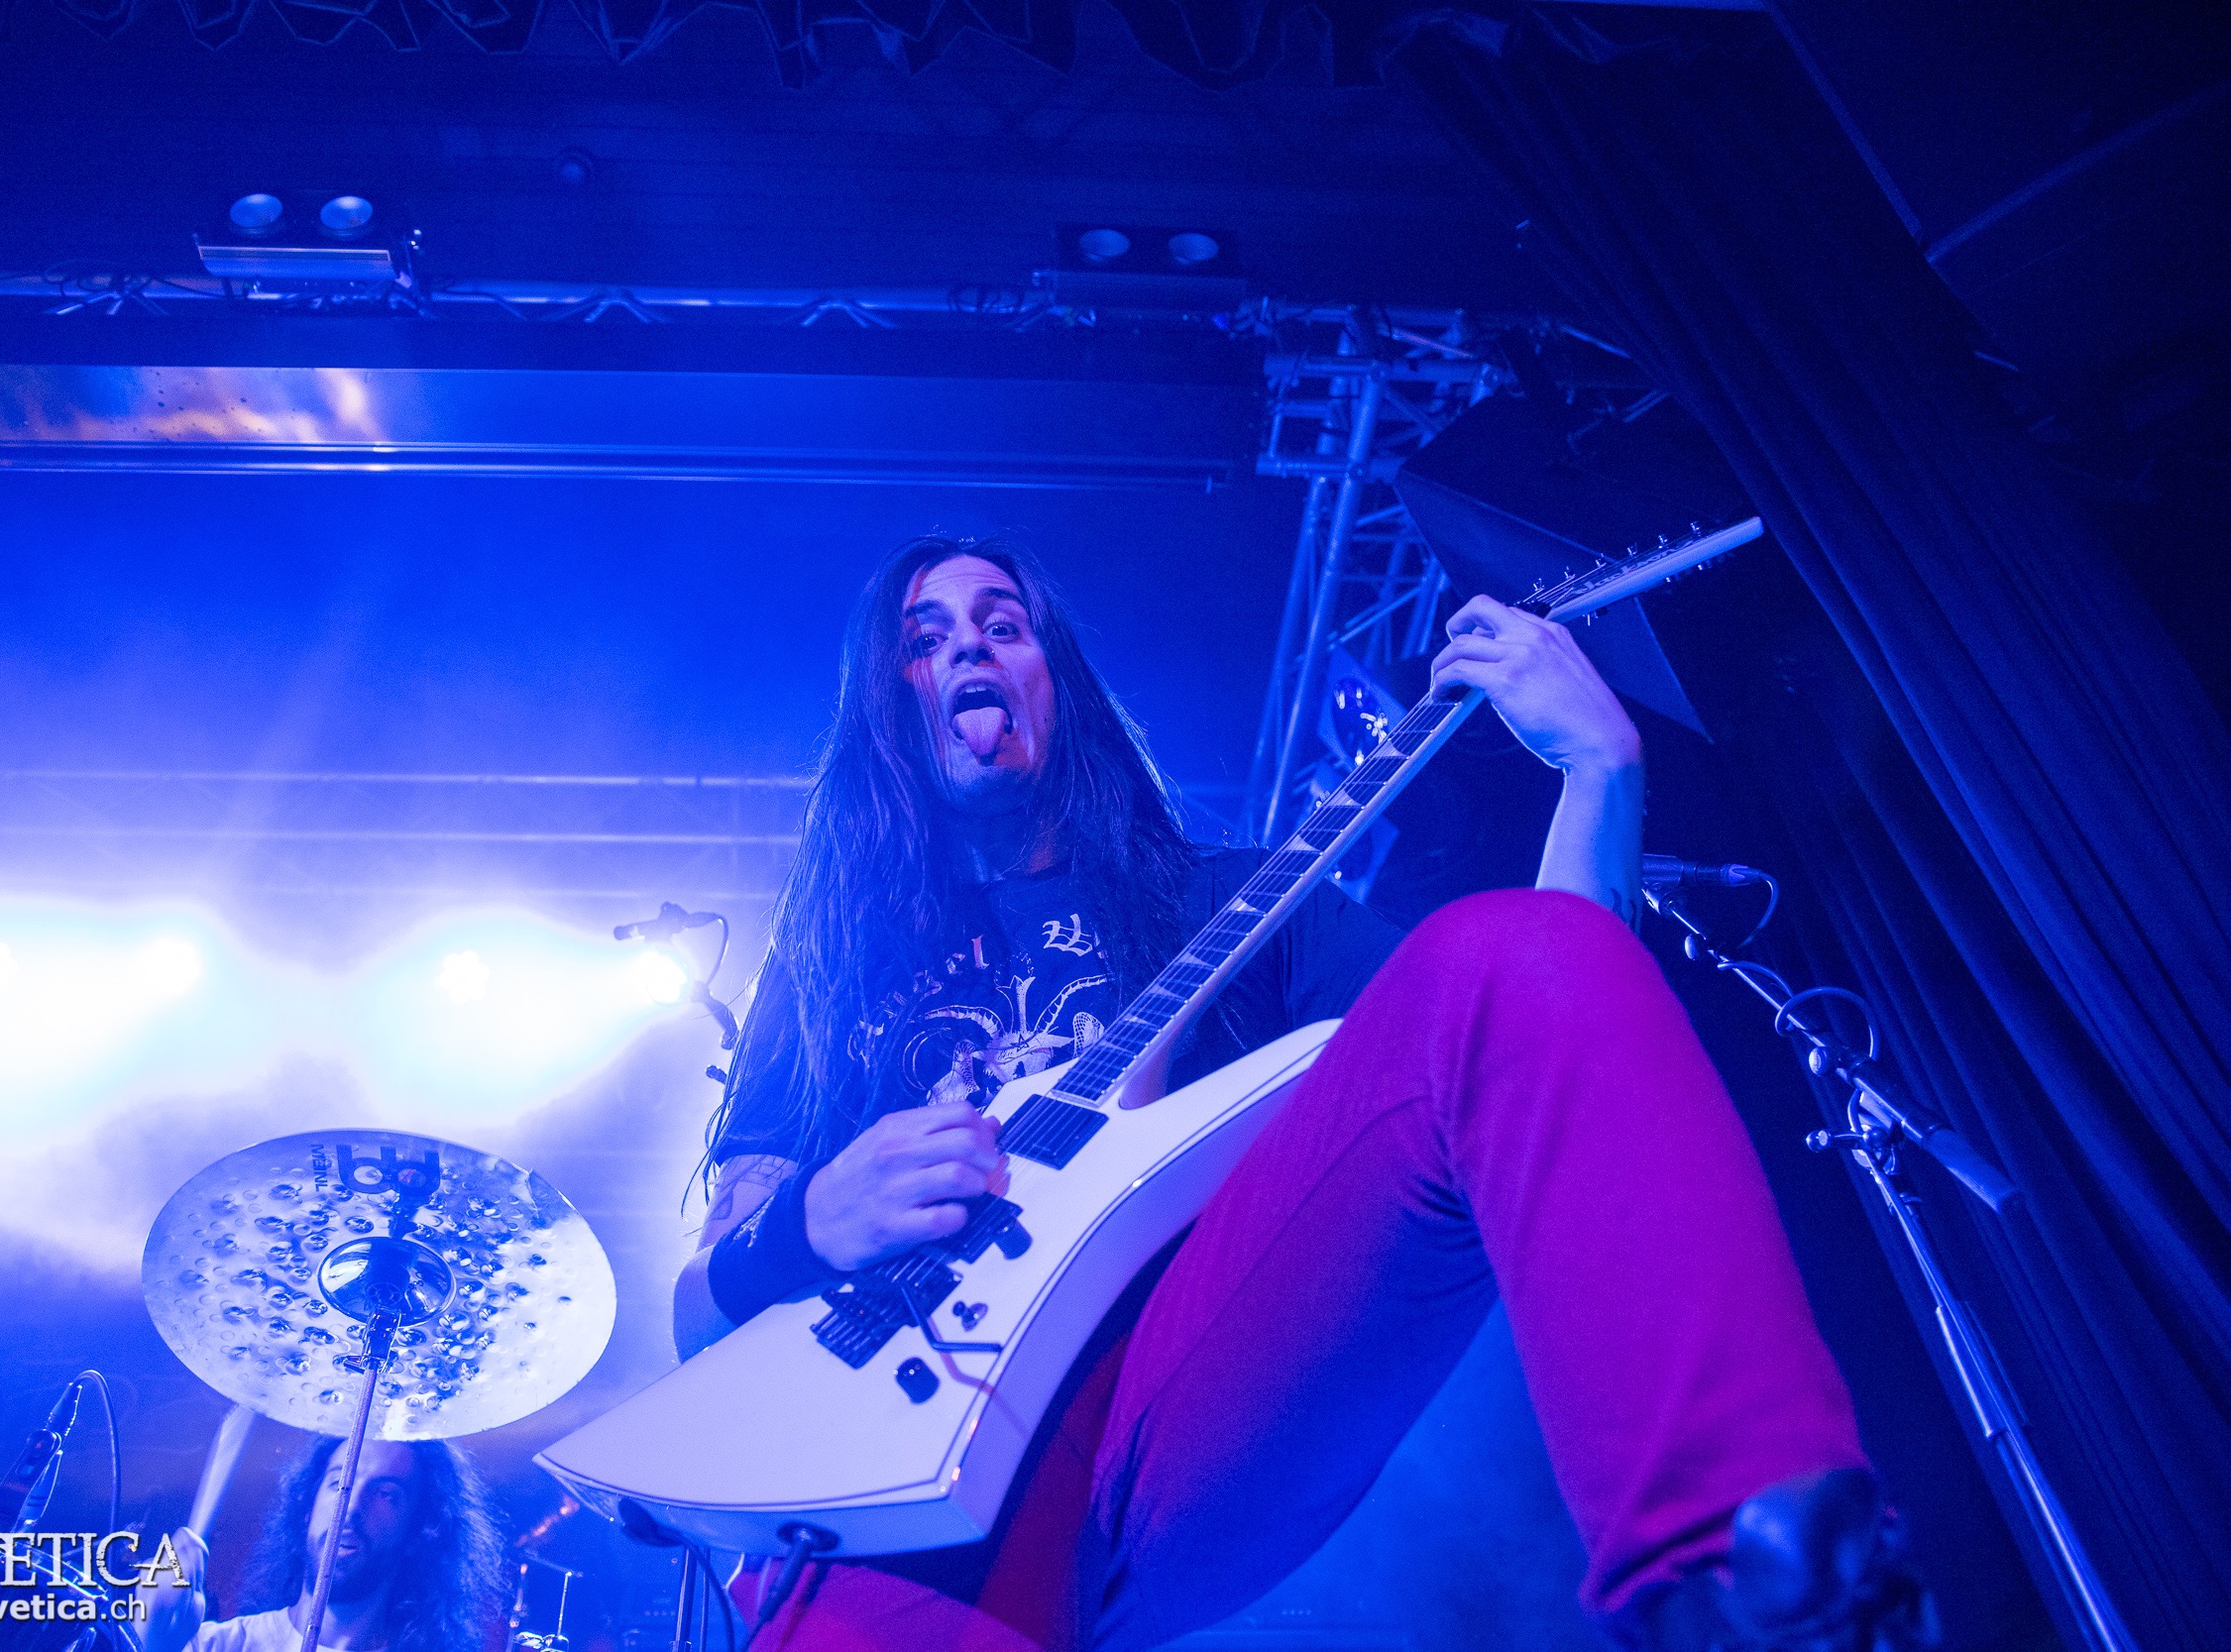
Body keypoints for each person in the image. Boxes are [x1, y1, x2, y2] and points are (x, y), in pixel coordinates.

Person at [679, 534, 1934, 1652]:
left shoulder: (1224, 902)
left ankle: (1754, 1575)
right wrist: (806, 1222)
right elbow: (700, 1321)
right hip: (901, 1473)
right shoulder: (830, 958)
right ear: (885, 701)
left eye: (1002, 623)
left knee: (1507, 948)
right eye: (924, 637)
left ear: (1055, 677)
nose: (969, 646)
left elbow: (1529, 1037)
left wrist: (1599, 769)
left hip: (1178, 1394)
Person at [135, 1437, 503, 1652]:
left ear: (420, 1531)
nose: (351, 1506)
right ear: (306, 1507)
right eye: (337, 1482)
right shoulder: (217, 1645)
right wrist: (146, 1642)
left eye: (386, 1494)